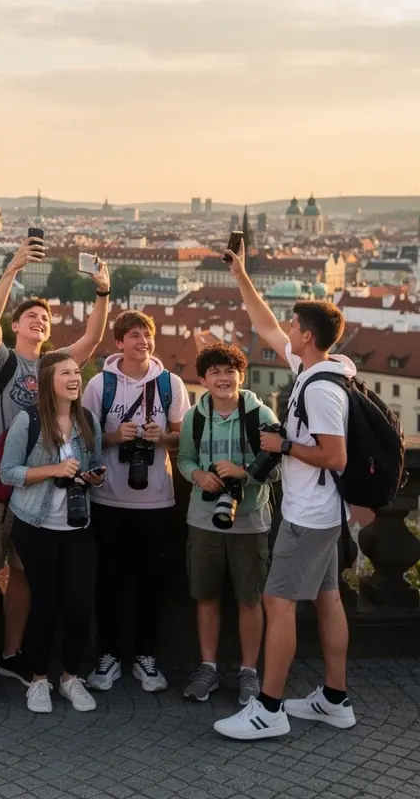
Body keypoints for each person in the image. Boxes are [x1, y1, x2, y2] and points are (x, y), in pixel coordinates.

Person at [0, 237, 111, 709]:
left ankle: (12, 653)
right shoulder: (0, 359)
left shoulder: (53, 366)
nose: (39, 321)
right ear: (15, 325)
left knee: (24, 576)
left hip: (38, 484)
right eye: (31, 317)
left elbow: (90, 340)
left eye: (44, 318)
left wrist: (103, 293)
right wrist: (11, 269)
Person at [214, 242, 356, 741]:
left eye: (296, 326)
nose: (288, 330)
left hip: (310, 514)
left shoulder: (318, 388)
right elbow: (265, 324)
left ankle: (268, 709)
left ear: (310, 335)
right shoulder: (316, 369)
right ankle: (334, 700)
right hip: (323, 511)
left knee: (278, 603)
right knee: (328, 599)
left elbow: (334, 456)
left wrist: (284, 445)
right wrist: (242, 275)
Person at [82, 310, 191, 694]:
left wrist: (161, 437)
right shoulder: (99, 385)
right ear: (119, 342)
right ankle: (108, 655)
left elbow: (184, 439)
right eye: (133, 335)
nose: (141, 341)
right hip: (107, 497)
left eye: (146, 335)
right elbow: (82, 439)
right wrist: (114, 437)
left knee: (151, 581)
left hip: (157, 500)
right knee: (108, 580)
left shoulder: (171, 384)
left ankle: (147, 656)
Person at [0, 352, 104, 714]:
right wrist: (53, 469)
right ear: (48, 381)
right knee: (44, 603)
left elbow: (94, 465)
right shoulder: (28, 422)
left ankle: (71, 678)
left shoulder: (88, 420)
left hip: (77, 526)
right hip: (36, 525)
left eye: (77, 372)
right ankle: (39, 679)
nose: (75, 378)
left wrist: (93, 477)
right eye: (66, 373)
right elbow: (7, 472)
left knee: (79, 605)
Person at [177, 343, 279, 706]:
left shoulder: (259, 413)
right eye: (215, 372)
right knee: (206, 596)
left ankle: (249, 671)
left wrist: (244, 473)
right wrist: (198, 475)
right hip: (203, 518)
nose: (223, 377)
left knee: (250, 599)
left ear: (241, 375)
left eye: (229, 370)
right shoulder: (196, 416)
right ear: (203, 379)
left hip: (250, 519)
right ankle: (208, 668)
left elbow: (279, 467)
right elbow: (184, 458)